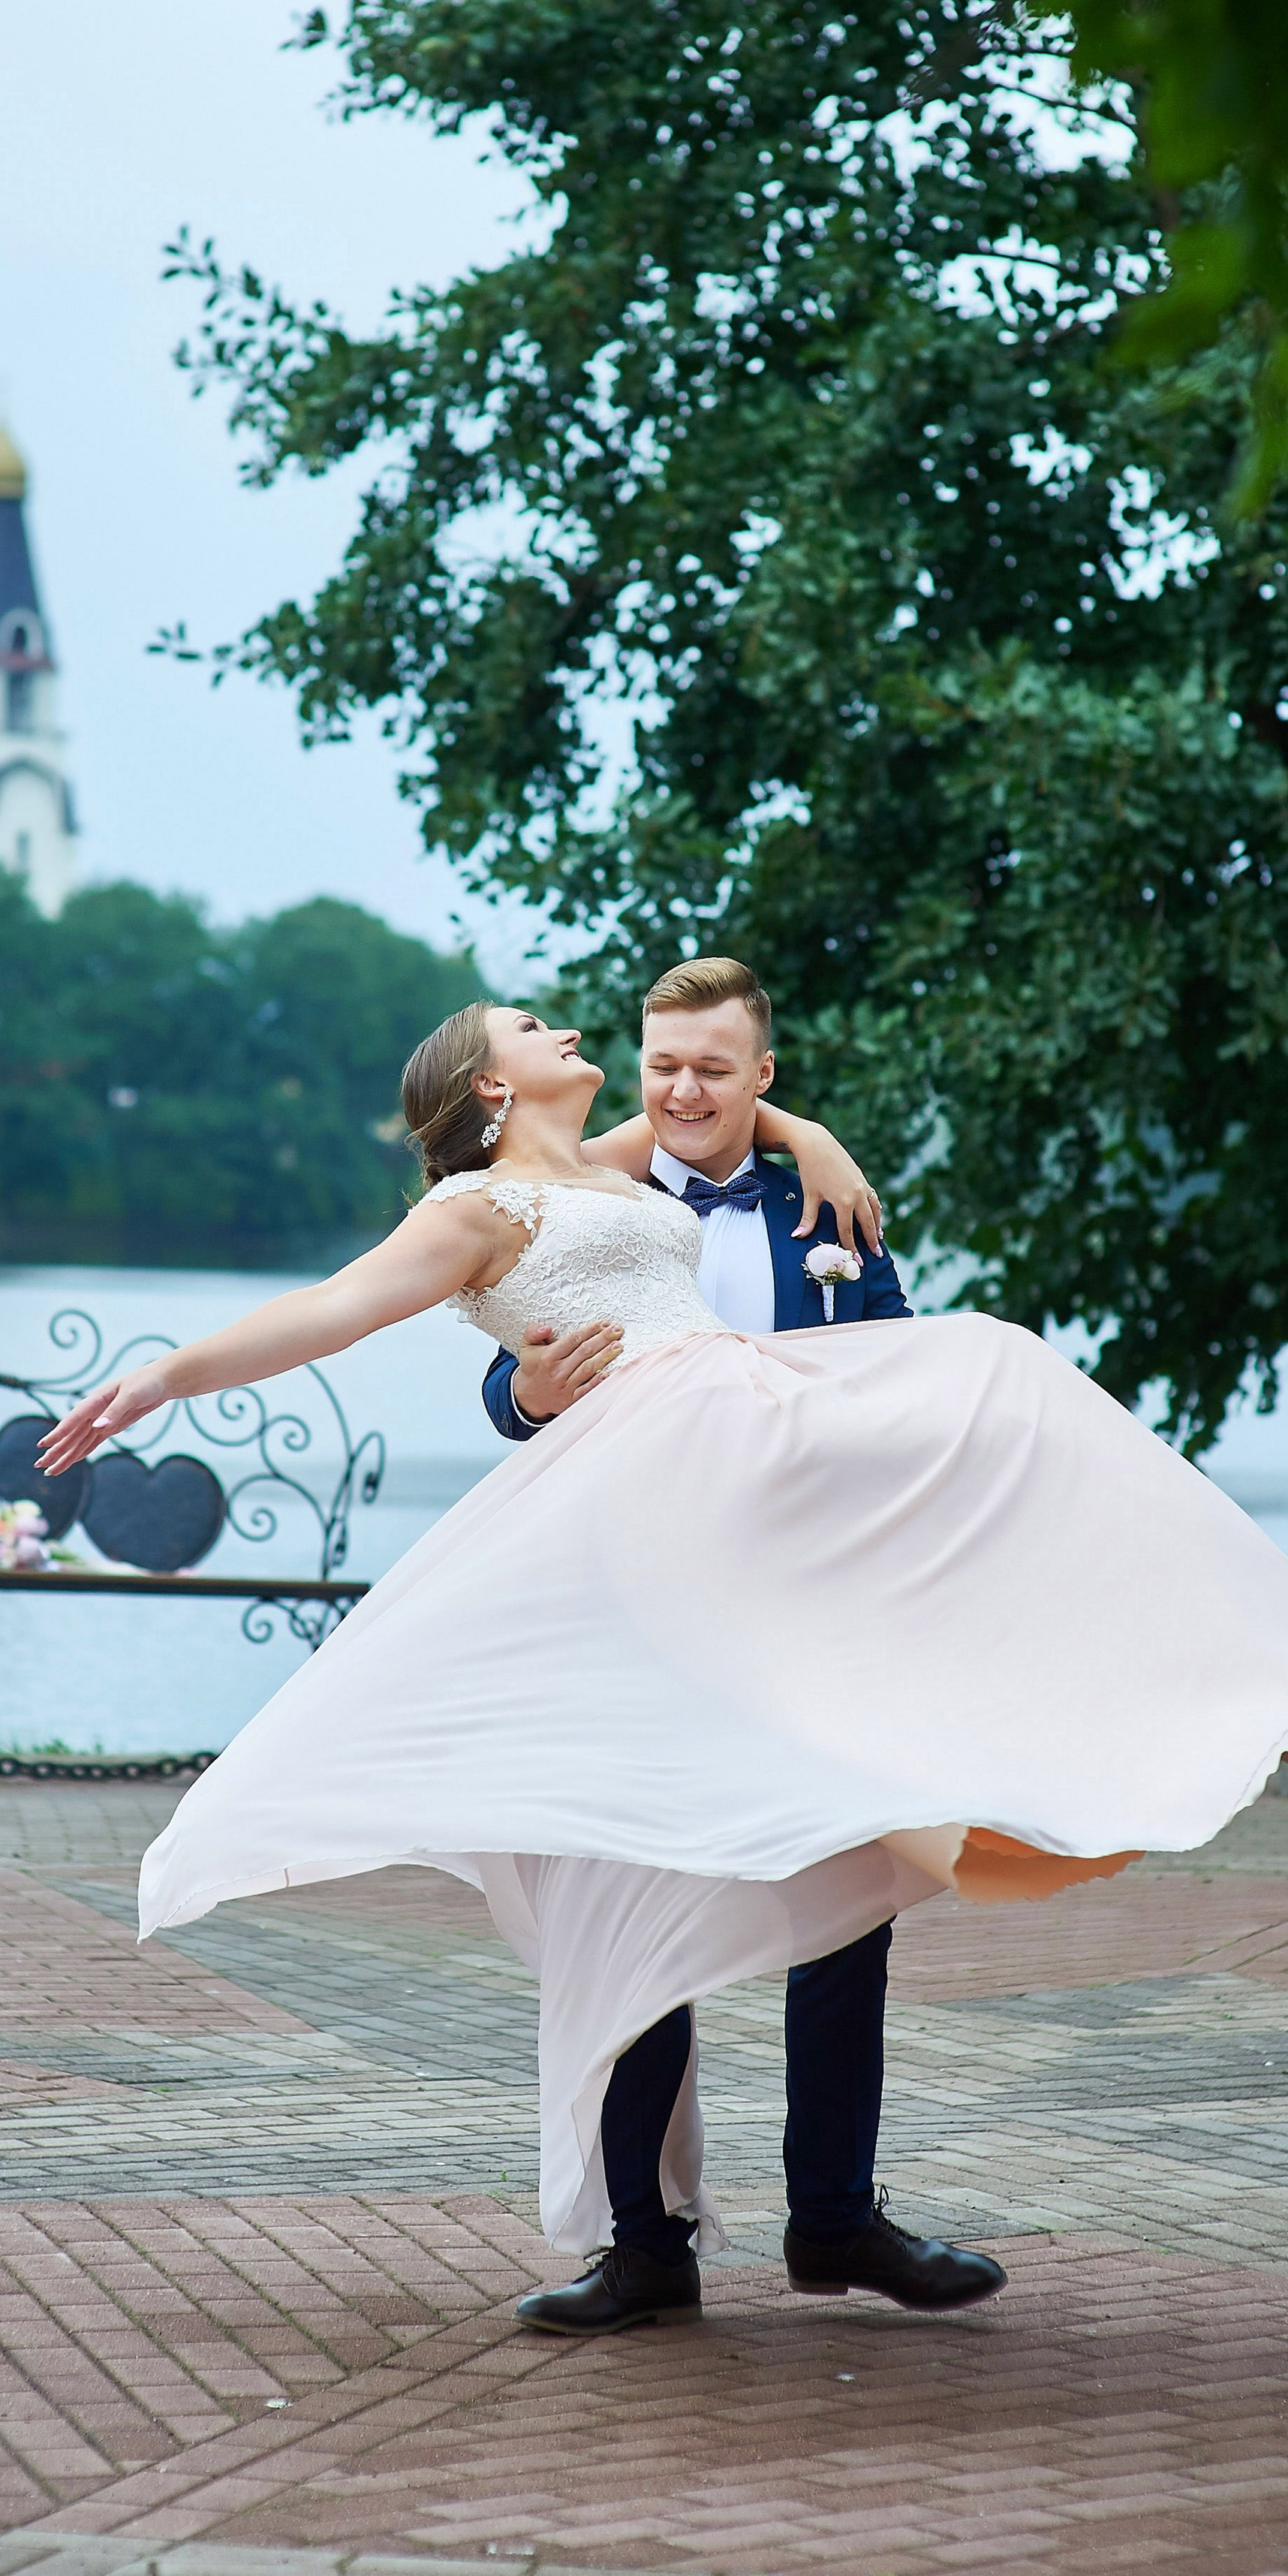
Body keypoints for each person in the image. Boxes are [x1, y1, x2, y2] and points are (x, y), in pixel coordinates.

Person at [38, 989, 1288, 2339]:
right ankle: (645, 2249)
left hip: (764, 1483)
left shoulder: (607, 1161)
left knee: (1003, 1401)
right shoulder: (479, 1208)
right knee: (629, 1858)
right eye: (534, 1028)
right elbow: (332, 1309)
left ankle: (1269, 1696)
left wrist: (810, 1137)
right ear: (488, 1084)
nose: (568, 1032)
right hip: (652, 1519)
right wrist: (164, 1379)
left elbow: (733, 1118)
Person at [480, 960, 1000, 2335]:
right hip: (637, 1620)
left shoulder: (825, 1203)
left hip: (812, 1614)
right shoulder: (587, 1192)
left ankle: (835, 2218)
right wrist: (519, 1394)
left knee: (851, 1908)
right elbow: (507, 1345)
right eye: (665, 1065)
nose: (684, 1090)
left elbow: (898, 1372)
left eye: (716, 1068)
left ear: (761, 1079)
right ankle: (646, 2247)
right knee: (638, 1911)